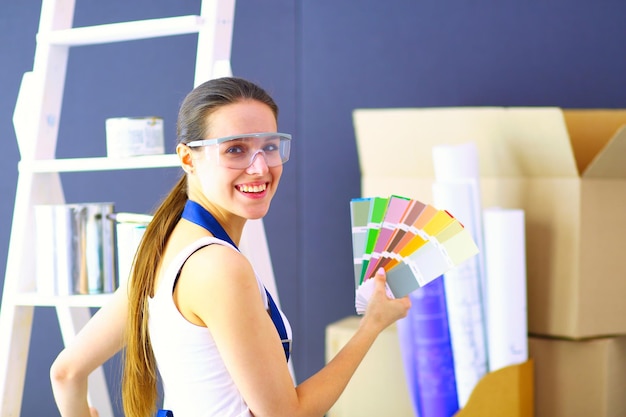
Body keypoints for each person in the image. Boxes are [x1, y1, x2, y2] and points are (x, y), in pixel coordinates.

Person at [50, 76, 411, 417]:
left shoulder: (161, 245)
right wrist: (373, 325)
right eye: (236, 149)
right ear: (188, 158)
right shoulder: (218, 266)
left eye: (269, 147)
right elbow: (287, 413)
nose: (259, 168)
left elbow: (67, 373)